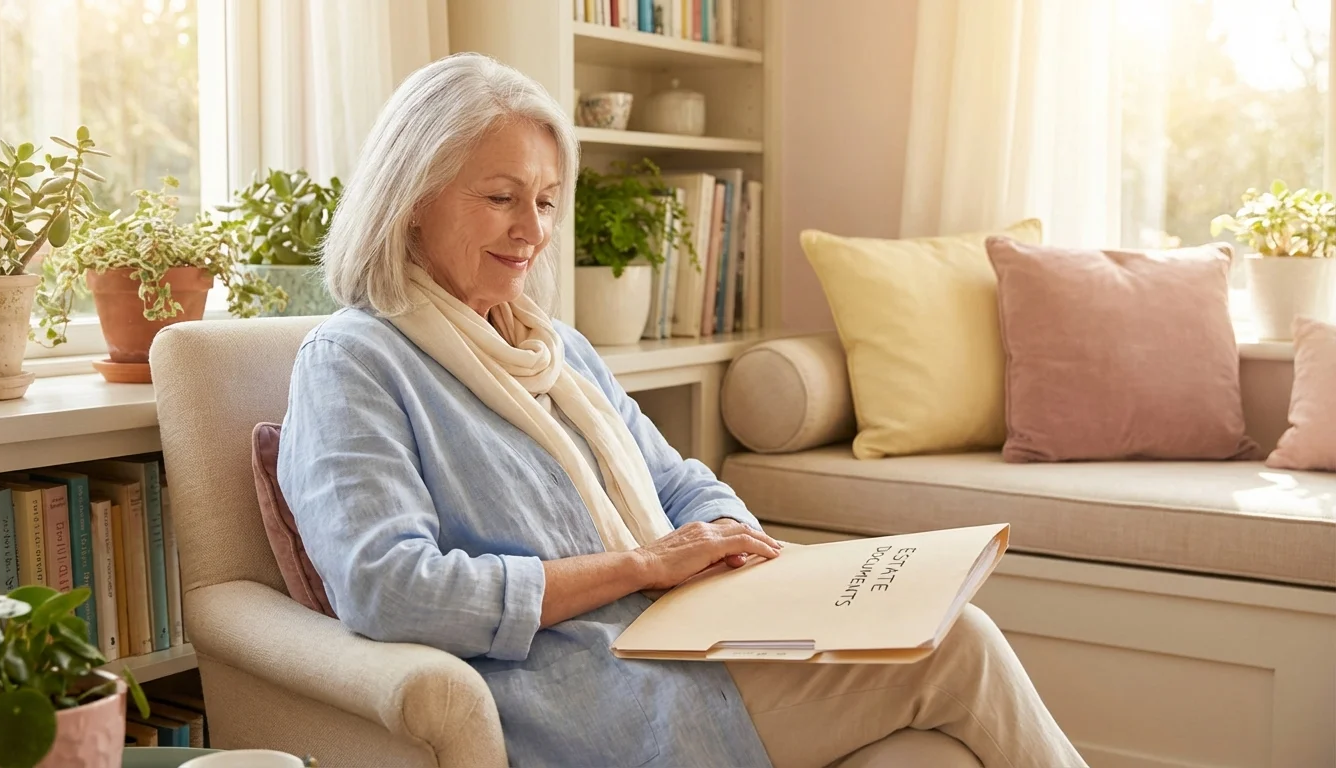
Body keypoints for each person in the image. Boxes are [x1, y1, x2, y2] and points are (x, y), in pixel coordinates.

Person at [277, 52, 1087, 768]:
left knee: (928, 750)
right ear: (412, 196)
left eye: (549, 201)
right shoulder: (355, 364)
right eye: (501, 197)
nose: (534, 230)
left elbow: (680, 484)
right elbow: (391, 589)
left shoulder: (558, 350)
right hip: (585, 690)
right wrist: (641, 567)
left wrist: (741, 556)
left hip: (691, 645)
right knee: (962, 650)